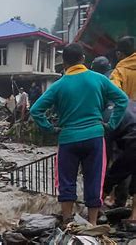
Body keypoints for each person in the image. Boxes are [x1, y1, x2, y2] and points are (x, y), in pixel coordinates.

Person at [30, 43, 128, 226]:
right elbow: (122, 99)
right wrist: (111, 124)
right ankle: (92, 224)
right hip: (95, 137)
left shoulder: (58, 86)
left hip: (68, 139)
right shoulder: (98, 79)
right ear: (83, 58)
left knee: (66, 181)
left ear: (64, 63)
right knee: (94, 179)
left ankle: (68, 222)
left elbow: (36, 110)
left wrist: (50, 129)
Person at [92, 61, 136, 211]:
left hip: (132, 141)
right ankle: (133, 215)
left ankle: (97, 208)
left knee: (114, 173)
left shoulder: (107, 114)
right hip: (130, 137)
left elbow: (106, 153)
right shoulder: (128, 102)